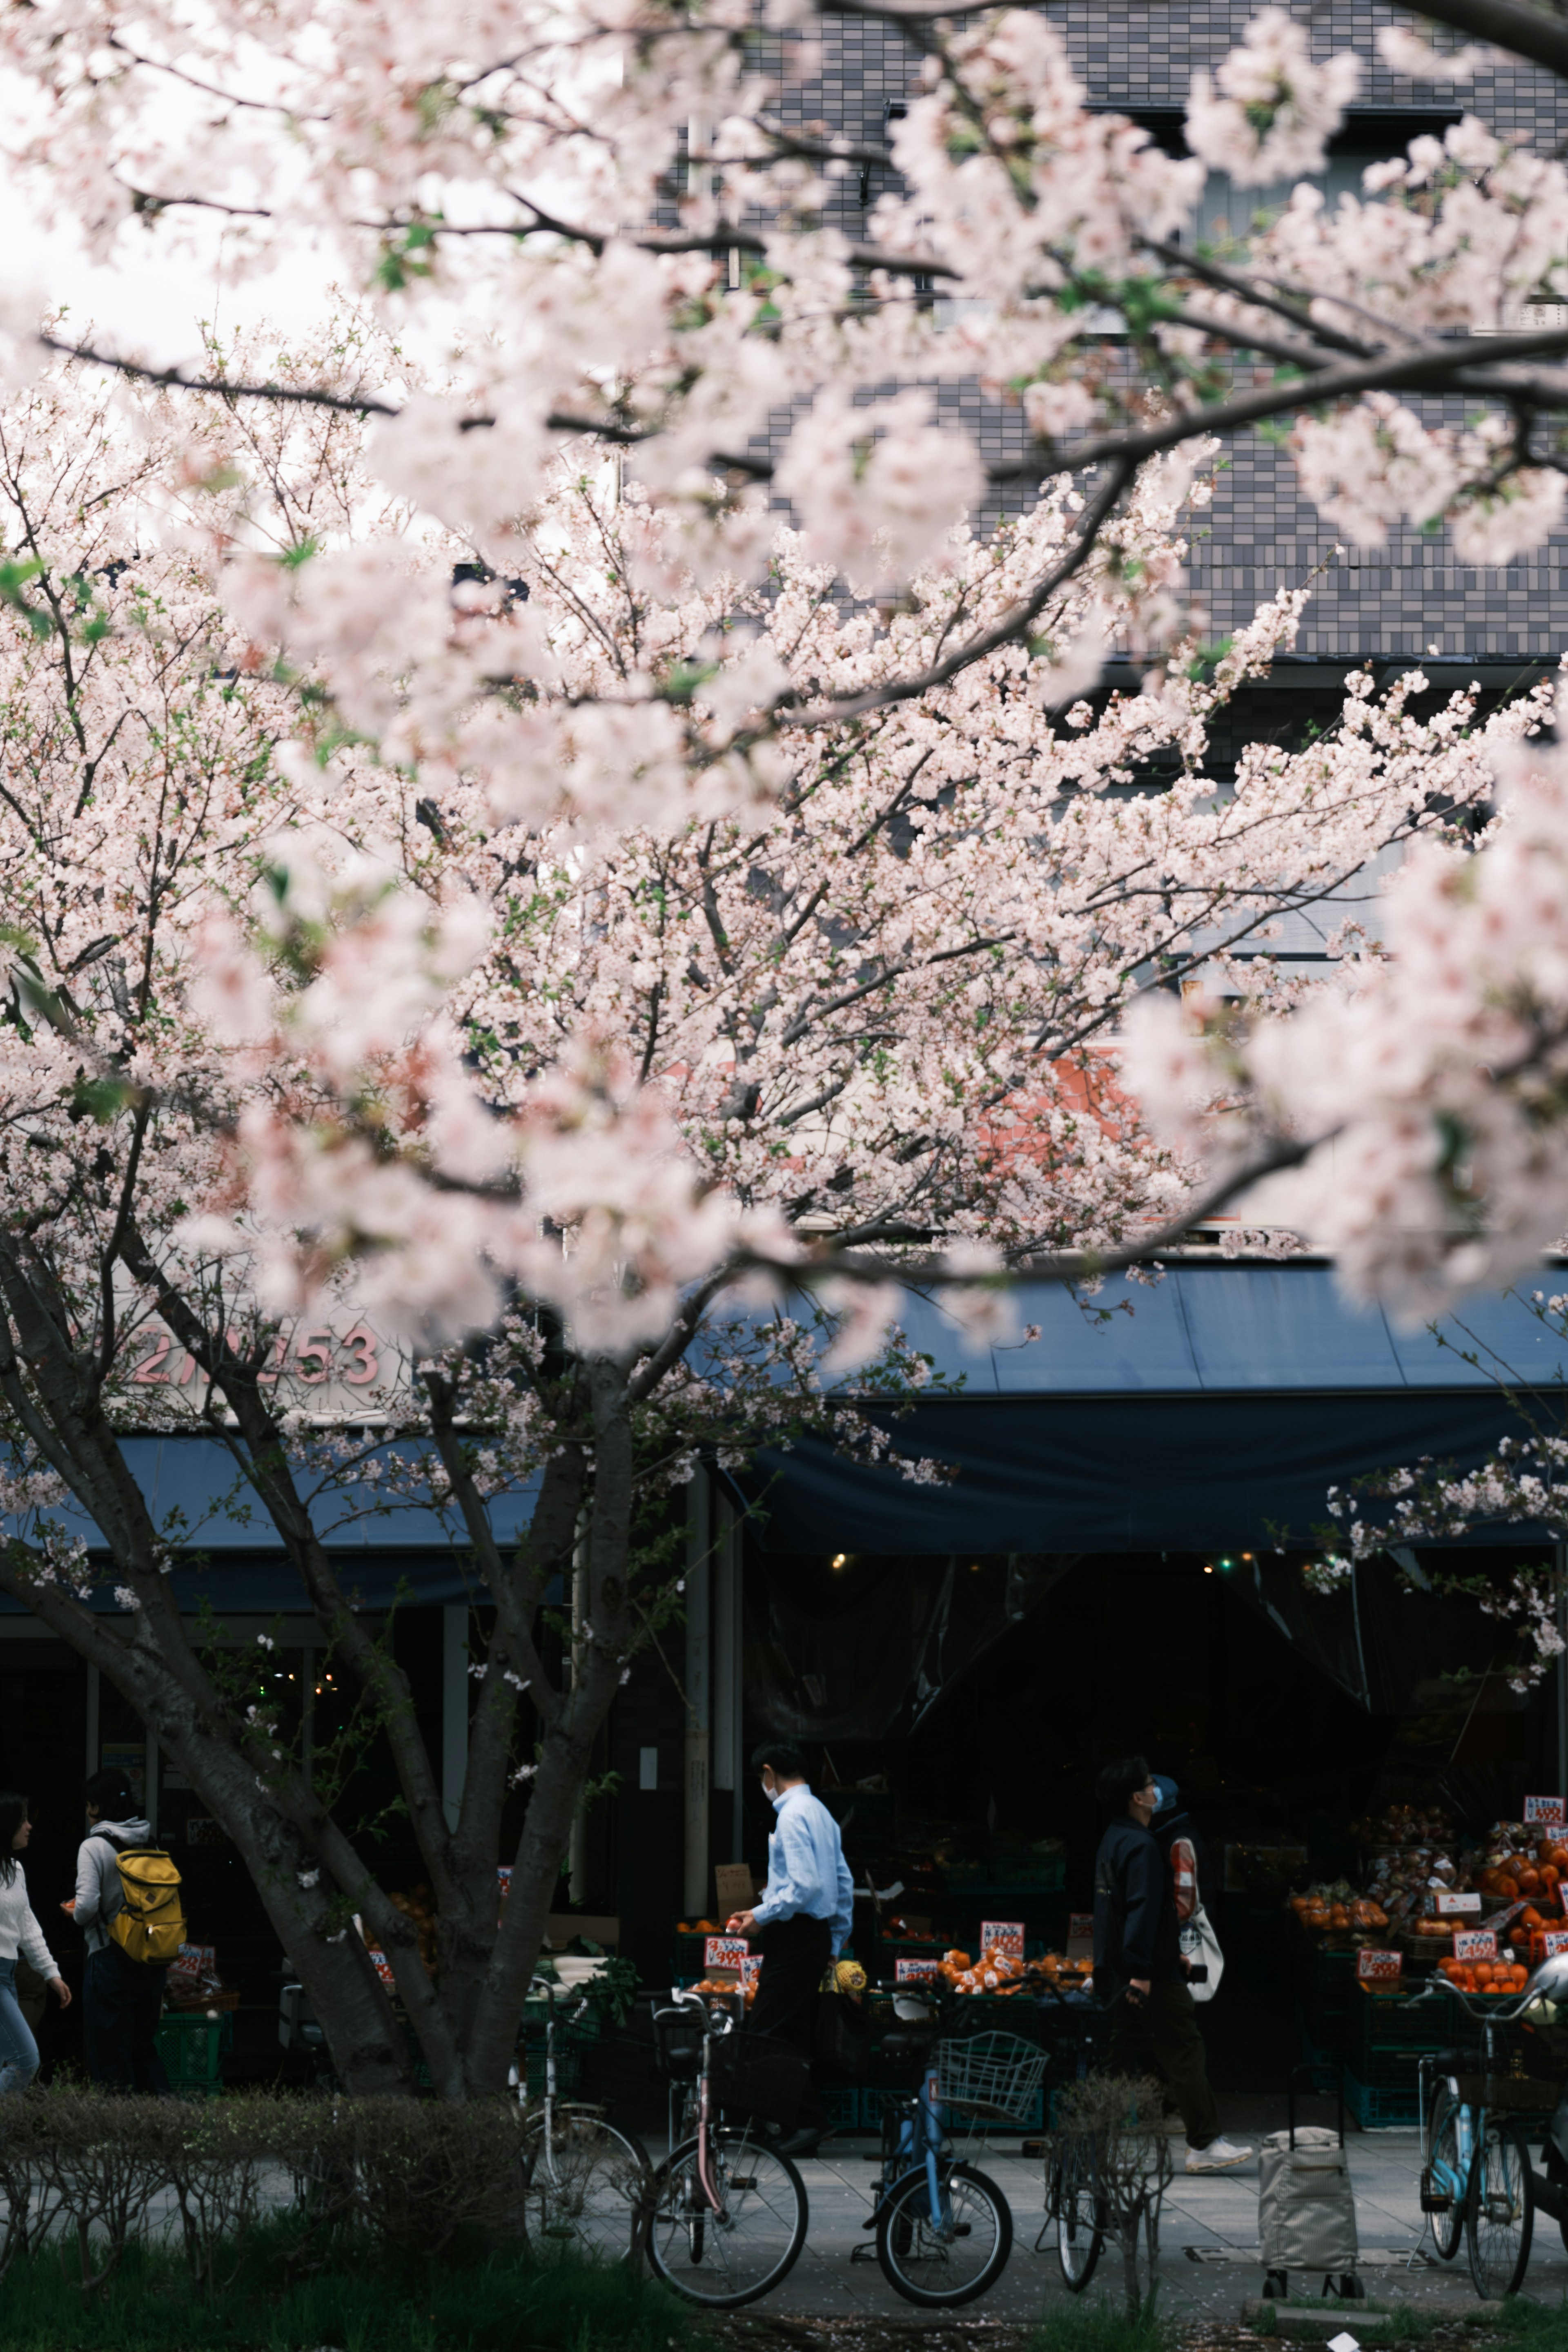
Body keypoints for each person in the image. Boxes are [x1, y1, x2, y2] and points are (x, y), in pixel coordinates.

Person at [1092, 1755, 1251, 2175]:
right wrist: (1145, 1970)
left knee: (1119, 2055)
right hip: (1148, 1975)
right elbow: (1143, 1910)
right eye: (1148, 1784)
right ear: (1138, 1797)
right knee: (1185, 2047)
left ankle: (1095, 2140)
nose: (1155, 1790)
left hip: (1128, 1967)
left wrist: (1164, 1952)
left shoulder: (1114, 1837)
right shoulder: (1143, 1845)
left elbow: (1126, 1912)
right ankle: (1203, 2142)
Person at [725, 1738, 854, 2160]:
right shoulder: (821, 1814)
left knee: (764, 2033)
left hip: (796, 1935)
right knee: (790, 2033)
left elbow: (804, 1886)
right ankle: (798, 2127)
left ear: (768, 1772)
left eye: (761, 1778)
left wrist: (762, 1914)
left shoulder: (793, 1814)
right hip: (812, 1937)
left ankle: (808, 2119)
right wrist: (834, 1941)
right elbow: (843, 1883)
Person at [68, 1768, 172, 2096]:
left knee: (110, 2055)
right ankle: (164, 2127)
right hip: (152, 1959)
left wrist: (73, 1912)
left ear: (96, 1807)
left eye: (88, 1806)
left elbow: (86, 1908)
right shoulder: (150, 1842)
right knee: (143, 2049)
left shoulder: (94, 1846)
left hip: (110, 1960)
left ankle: (117, 2139)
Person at [0, 1792, 72, 2093]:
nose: (30, 1826)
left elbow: (29, 1927)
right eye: (23, 1819)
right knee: (25, 2060)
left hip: (10, 1974)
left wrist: (51, 1974)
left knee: (9, 2062)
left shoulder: (15, 1870)